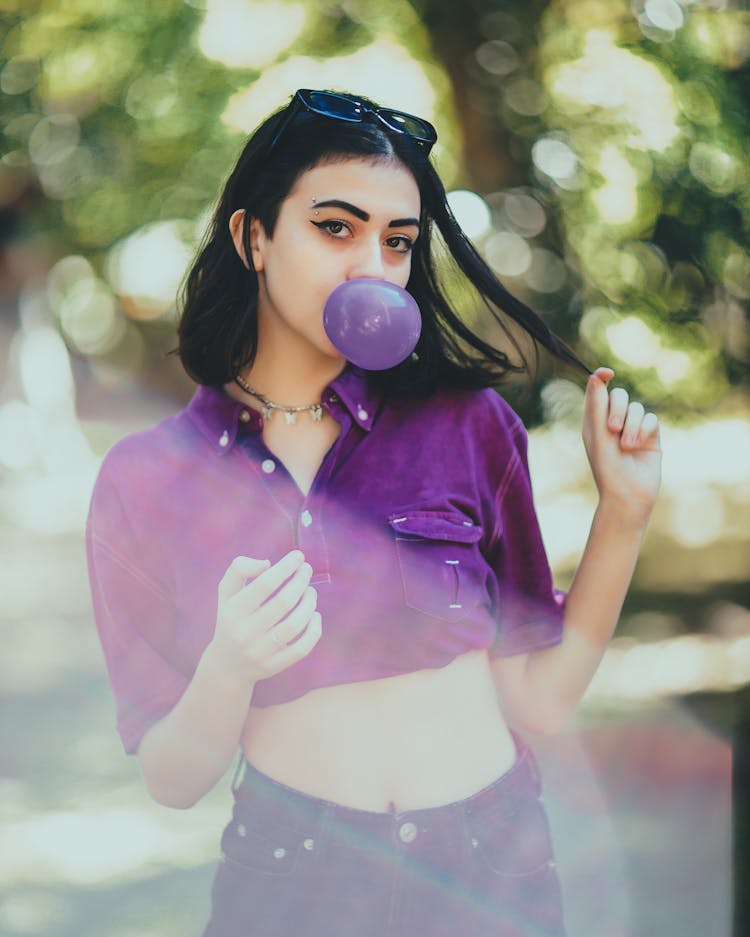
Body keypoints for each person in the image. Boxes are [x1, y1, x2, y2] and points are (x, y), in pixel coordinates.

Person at [86, 89, 662, 937]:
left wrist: (625, 510)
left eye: (397, 241)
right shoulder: (144, 481)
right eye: (335, 227)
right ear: (253, 237)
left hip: (490, 869)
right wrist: (227, 667)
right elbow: (173, 777)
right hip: (293, 885)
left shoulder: (469, 426)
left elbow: (539, 702)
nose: (373, 267)